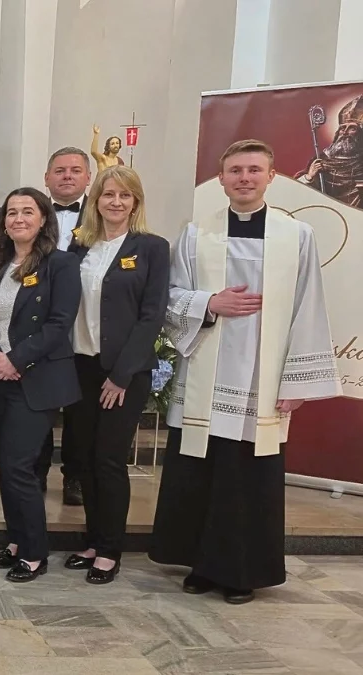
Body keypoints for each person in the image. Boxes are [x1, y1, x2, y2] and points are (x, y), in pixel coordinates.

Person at [150, 139, 340, 604]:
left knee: (246, 477)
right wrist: (209, 303)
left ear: (271, 176)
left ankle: (240, 571)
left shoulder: (297, 236)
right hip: (205, 370)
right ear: (221, 179)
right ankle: (199, 564)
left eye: (254, 170)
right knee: (200, 469)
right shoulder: (197, 234)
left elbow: (308, 306)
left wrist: (296, 380)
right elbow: (169, 296)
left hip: (261, 377)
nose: (244, 178)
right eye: (235, 170)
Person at [62, 166, 168, 585]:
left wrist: (122, 375)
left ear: (135, 202)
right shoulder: (80, 246)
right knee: (83, 460)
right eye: (108, 194)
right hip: (80, 367)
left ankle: (110, 549)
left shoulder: (152, 248)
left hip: (123, 372)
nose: (116, 202)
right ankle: (92, 540)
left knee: (108, 460)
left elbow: (151, 315)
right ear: (96, 200)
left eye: (125, 195)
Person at [0, 187, 81, 583]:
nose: (18, 218)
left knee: (19, 466)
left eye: (27, 211)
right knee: (6, 468)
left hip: (37, 378)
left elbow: (59, 323)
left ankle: (35, 552)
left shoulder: (61, 264)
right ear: (3, 222)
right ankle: (17, 540)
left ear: (43, 220)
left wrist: (16, 359)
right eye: (11, 212)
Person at [40, 146, 92, 507]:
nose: (67, 176)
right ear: (47, 178)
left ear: (88, 177)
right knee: (38, 405)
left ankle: (75, 475)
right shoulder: (31, 213)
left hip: (83, 326)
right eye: (59, 171)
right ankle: (36, 471)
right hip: (38, 327)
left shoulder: (103, 215)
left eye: (75, 170)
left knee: (80, 410)